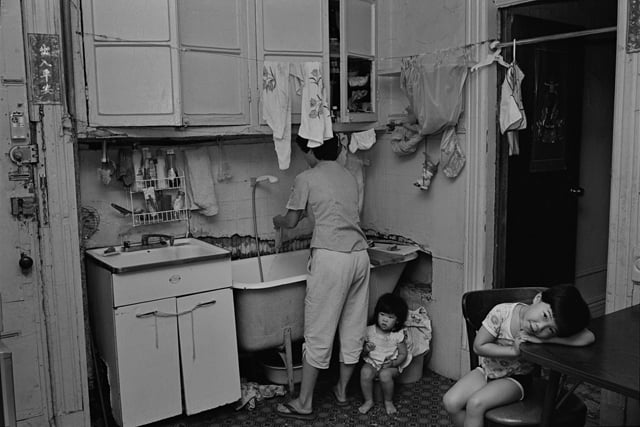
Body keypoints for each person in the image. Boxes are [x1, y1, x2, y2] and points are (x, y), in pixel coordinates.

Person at [274, 135, 370, 421]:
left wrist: (277, 221)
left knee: (318, 330)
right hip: (360, 255)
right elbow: (334, 211)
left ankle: (304, 403)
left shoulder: (307, 177)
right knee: (353, 325)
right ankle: (341, 390)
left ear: (311, 149)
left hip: (331, 257)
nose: (304, 156)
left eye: (303, 150)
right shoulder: (348, 175)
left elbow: (290, 222)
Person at [442, 285, 595, 427]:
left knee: (475, 404)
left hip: (517, 379)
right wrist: (513, 351)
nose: (540, 326)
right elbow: (479, 346)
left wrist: (542, 339)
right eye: (545, 315)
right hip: (488, 370)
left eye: (550, 329)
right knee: (450, 402)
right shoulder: (502, 313)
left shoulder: (541, 334)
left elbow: (588, 337)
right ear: (538, 299)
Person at [358, 293, 409, 415]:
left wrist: (393, 363)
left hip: (390, 366)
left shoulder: (397, 335)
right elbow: (361, 354)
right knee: (365, 372)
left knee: (385, 375)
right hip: (372, 363)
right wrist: (366, 349)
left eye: (390, 317)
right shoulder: (369, 331)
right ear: (377, 314)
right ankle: (368, 400)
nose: (385, 319)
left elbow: (403, 354)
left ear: (397, 321)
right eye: (382, 315)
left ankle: (388, 401)